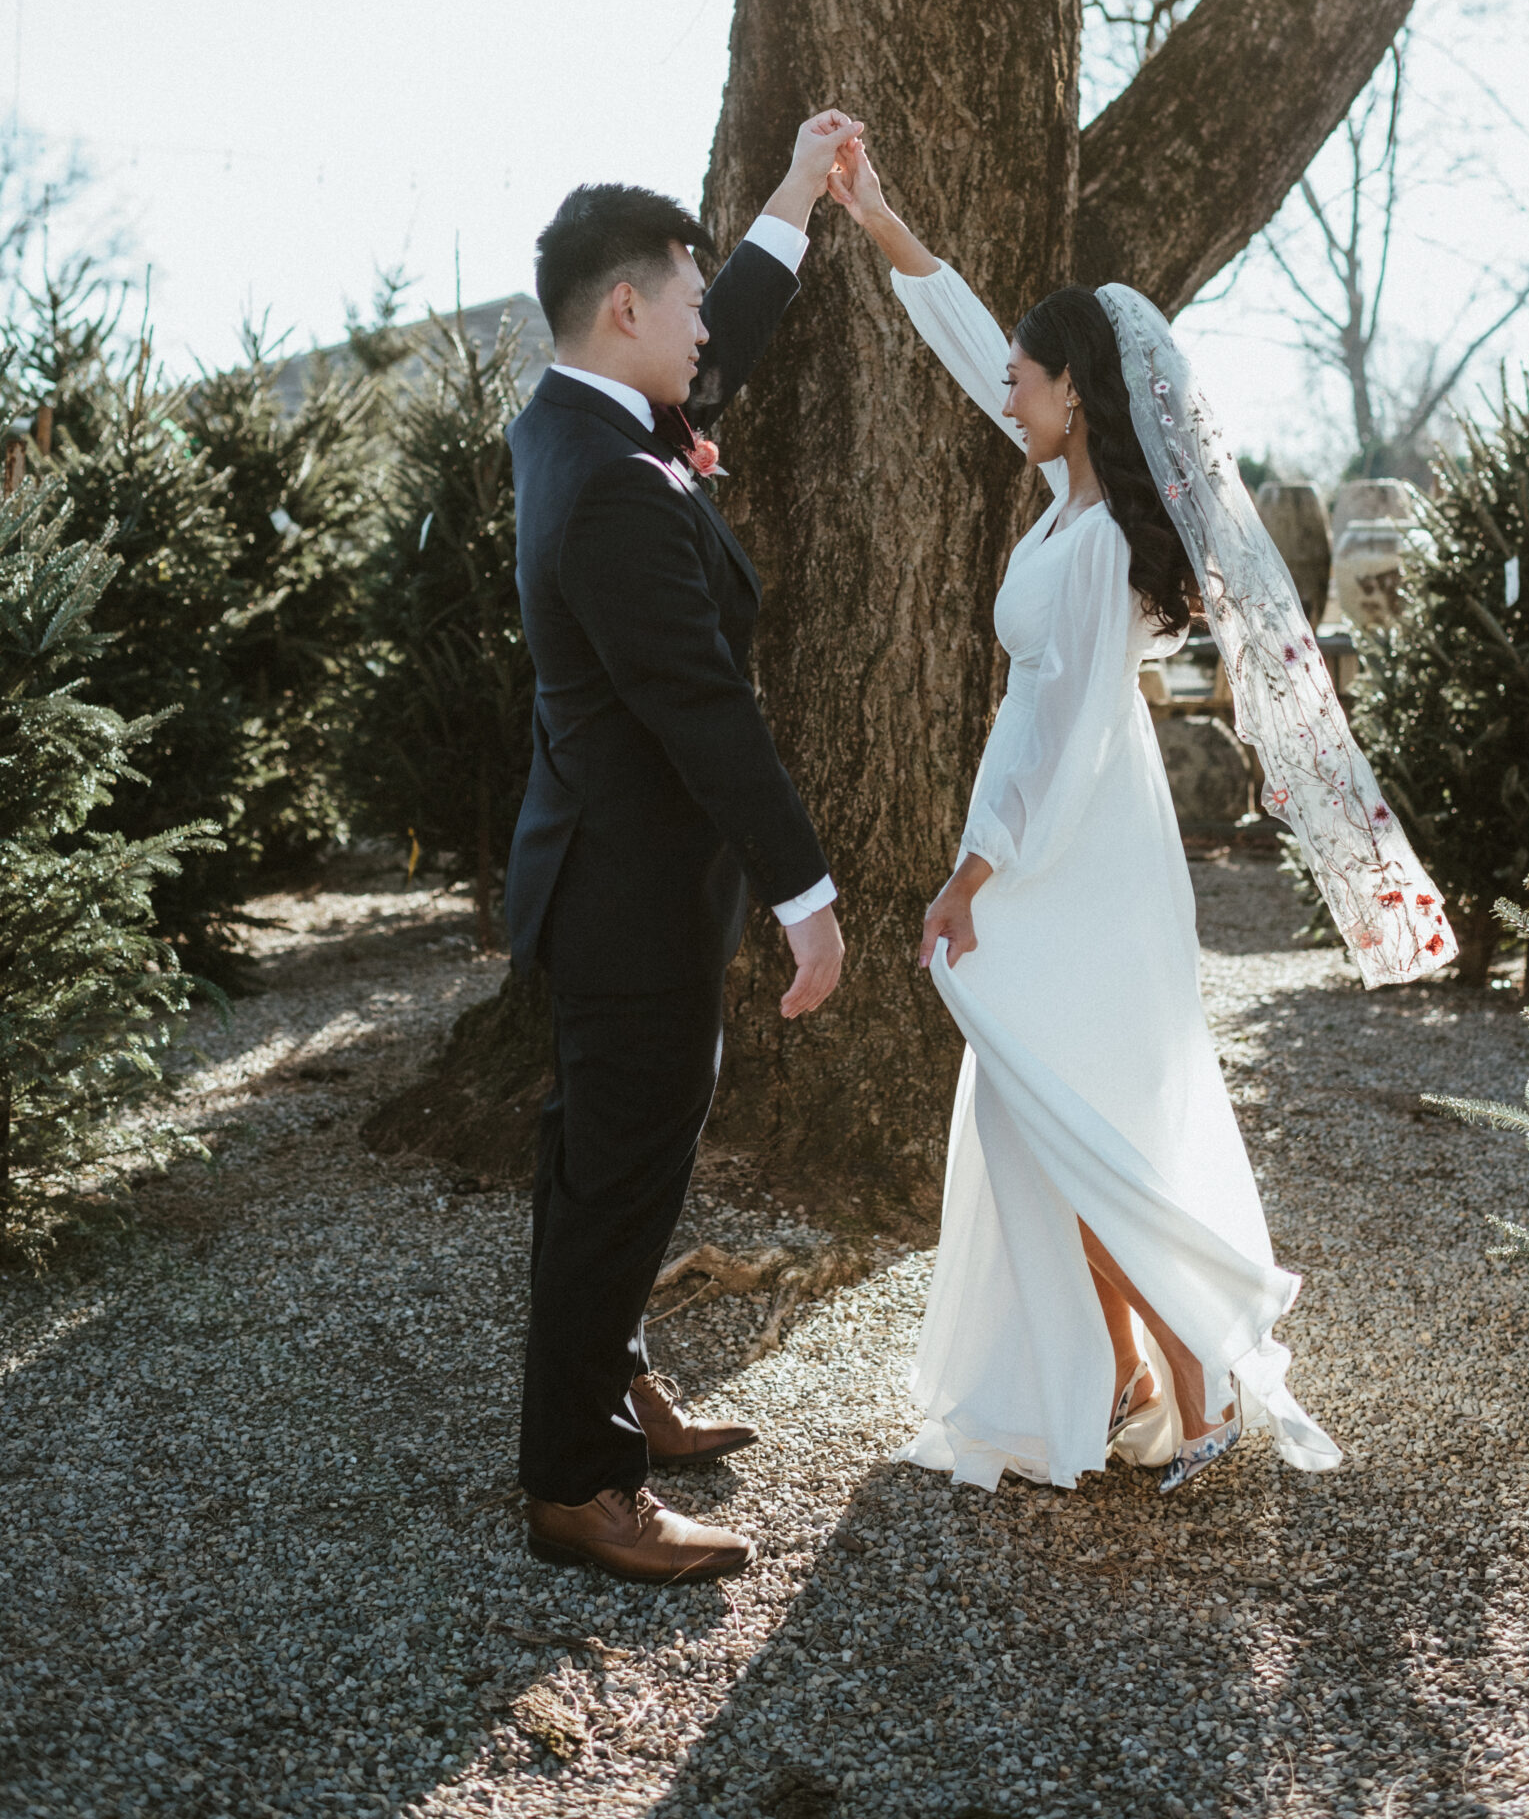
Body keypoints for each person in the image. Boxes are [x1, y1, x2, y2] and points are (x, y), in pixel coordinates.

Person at [828, 140, 1455, 1494]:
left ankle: (1192, 1376)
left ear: (1075, 396)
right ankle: (1126, 1377)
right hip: (1053, 843)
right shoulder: (1068, 495)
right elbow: (969, 339)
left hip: (1069, 854)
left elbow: (1051, 741)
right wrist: (880, 218)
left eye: (1027, 374)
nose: (1007, 384)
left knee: (1067, 1120)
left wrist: (970, 879)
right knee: (1029, 1121)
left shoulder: (1108, 538)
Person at [508, 112, 859, 1583]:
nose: (708, 331)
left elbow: (722, 362)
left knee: (610, 1171)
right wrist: (808, 898)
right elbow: (706, 714)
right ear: (629, 307)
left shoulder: (581, 423)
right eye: (691, 296)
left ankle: (612, 1381)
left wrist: (792, 201)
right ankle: (578, 1485)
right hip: (629, 901)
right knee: (619, 1178)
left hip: (603, 880)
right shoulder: (607, 484)